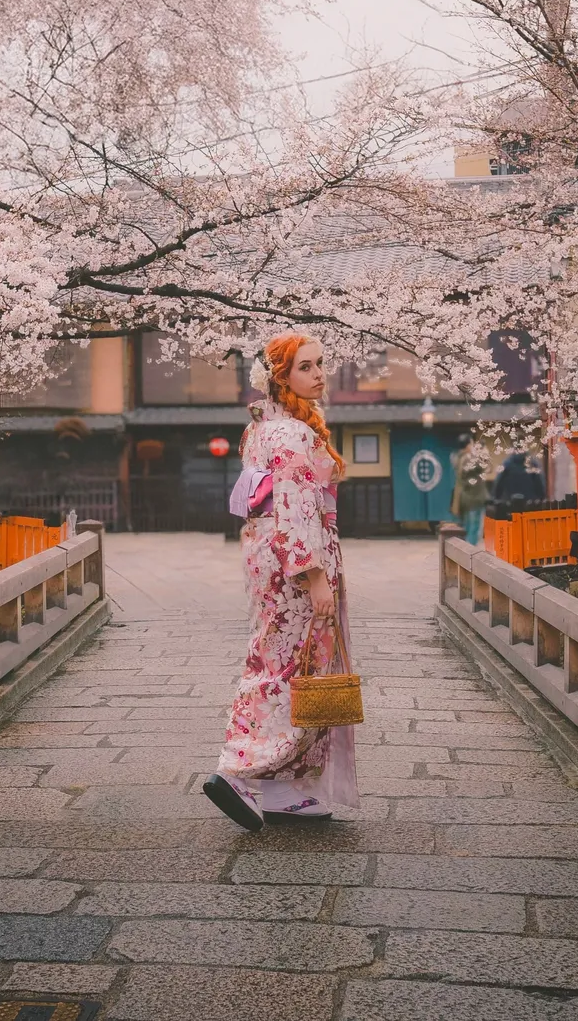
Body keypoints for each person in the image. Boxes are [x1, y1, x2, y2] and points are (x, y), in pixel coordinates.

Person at [203, 333, 358, 831]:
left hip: (266, 557)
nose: (318, 374)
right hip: (295, 561)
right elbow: (293, 508)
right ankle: (242, 770)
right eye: (305, 367)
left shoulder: (261, 429)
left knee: (280, 657)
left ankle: (283, 787)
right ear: (281, 377)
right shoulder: (290, 435)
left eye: (320, 364)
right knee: (289, 667)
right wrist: (315, 576)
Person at [450, 437, 489, 545]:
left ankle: (465, 554)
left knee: (467, 528)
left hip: (465, 498)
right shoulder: (467, 459)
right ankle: (470, 556)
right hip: (474, 498)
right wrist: (483, 452)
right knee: (474, 530)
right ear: (467, 446)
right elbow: (483, 466)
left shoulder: (458, 457)